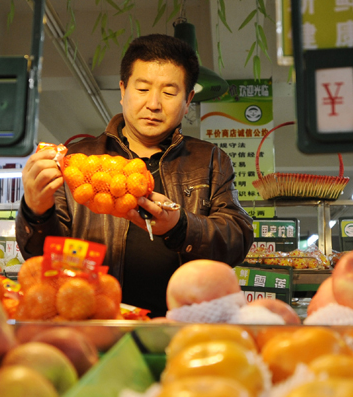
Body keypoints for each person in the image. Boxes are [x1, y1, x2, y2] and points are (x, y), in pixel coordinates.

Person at [16, 33, 253, 317]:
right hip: (96, 321)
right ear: (122, 90)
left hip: (184, 323)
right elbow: (43, 261)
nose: (154, 103)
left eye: (168, 92)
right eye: (142, 89)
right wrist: (36, 212)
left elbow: (236, 239)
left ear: (188, 100)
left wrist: (179, 226)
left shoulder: (210, 160)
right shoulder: (76, 160)